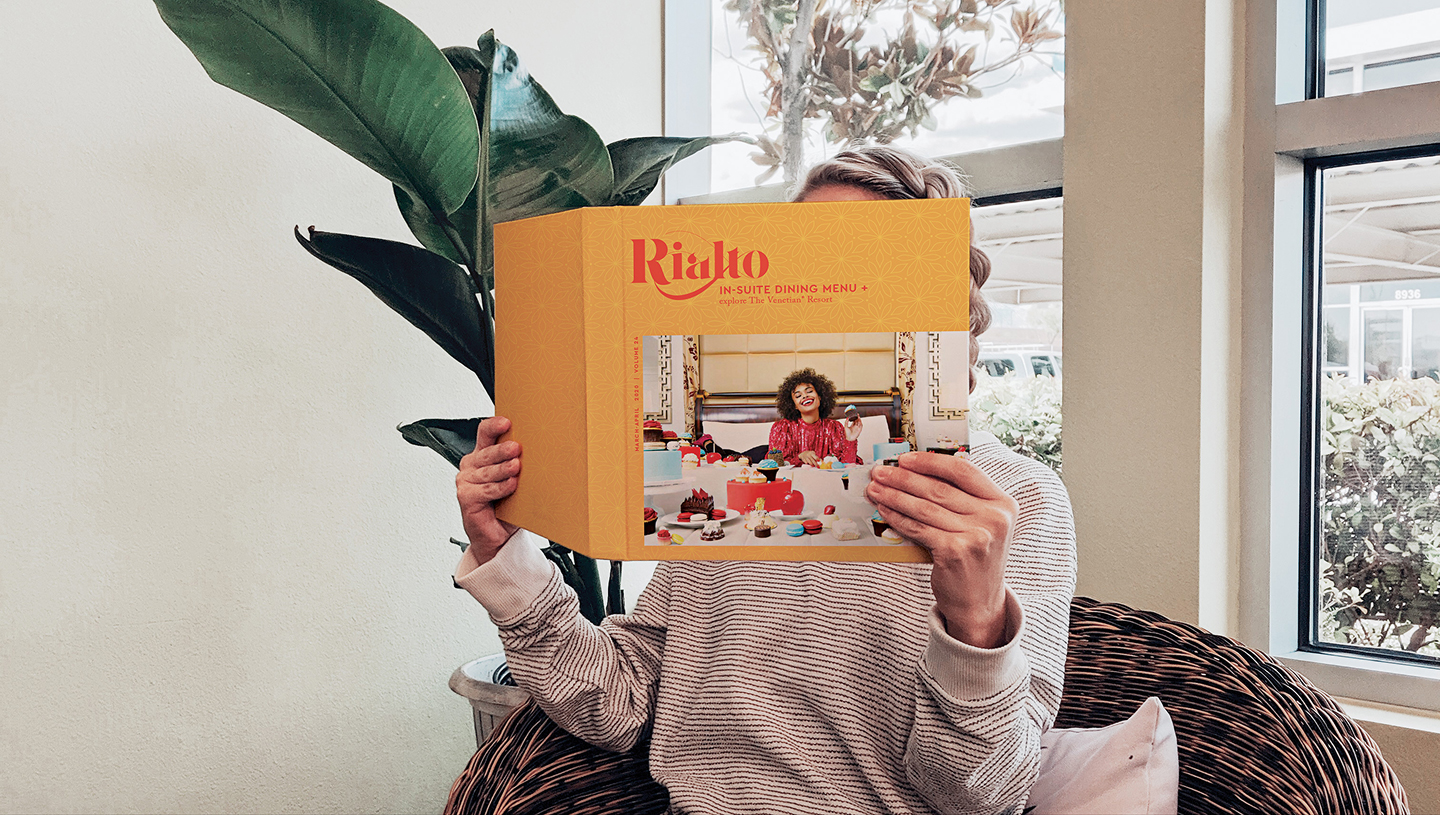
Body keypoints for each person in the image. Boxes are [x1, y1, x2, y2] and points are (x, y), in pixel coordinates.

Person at [453, 145, 1077, 815]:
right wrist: (503, 557)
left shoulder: (1012, 501)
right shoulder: (723, 470)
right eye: (799, 259)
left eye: (856, 264)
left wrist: (975, 624)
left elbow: (985, 798)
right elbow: (622, 701)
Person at [768, 367, 864, 466]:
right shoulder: (782, 428)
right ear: (794, 405)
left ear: (820, 396)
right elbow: (774, 466)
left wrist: (850, 440)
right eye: (798, 396)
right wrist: (800, 457)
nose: (805, 396)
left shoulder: (835, 428)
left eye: (809, 391)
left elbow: (847, 468)